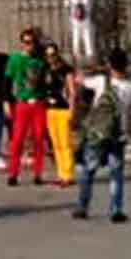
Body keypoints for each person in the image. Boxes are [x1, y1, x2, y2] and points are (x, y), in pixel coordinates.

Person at [73, 47, 131, 223]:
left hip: (98, 133)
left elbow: (79, 79)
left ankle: (83, 206)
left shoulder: (101, 82)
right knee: (116, 173)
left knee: (88, 170)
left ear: (110, 64)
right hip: (119, 134)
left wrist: (96, 69)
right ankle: (116, 208)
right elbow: (130, 107)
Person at [5, 29, 52, 186]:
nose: (29, 46)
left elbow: (47, 81)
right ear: (21, 43)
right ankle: (13, 173)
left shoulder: (40, 60)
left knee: (39, 138)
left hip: (38, 103)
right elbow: (7, 81)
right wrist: (6, 102)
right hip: (22, 103)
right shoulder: (15, 59)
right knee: (17, 139)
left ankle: (37, 173)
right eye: (26, 42)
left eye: (31, 42)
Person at [44, 47, 77, 187]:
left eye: (53, 54)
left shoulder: (66, 70)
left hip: (63, 109)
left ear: (57, 54)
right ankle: (61, 173)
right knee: (56, 143)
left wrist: (72, 109)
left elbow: (72, 91)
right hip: (50, 109)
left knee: (65, 143)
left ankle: (68, 175)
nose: (51, 57)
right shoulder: (46, 70)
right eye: (48, 55)